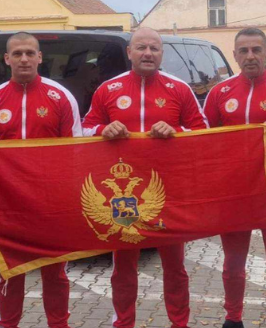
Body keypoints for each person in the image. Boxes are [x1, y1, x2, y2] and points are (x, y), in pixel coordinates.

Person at [81, 27, 208, 328]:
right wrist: (102, 130)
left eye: (154, 48)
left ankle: (180, 323)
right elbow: (83, 128)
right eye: (141, 48)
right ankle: (123, 323)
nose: (148, 53)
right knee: (124, 268)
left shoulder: (179, 89)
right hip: (122, 198)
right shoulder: (108, 89)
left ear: (162, 54)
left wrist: (177, 131)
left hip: (166, 192)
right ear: (130, 52)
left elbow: (203, 131)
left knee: (175, 267)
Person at [0, 31, 82, 328]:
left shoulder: (61, 98)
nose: (24, 59)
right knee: (9, 272)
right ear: (7, 59)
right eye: (17, 54)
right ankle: (8, 323)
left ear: (40, 57)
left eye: (30, 53)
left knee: (55, 272)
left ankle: (59, 324)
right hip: (8, 205)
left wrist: (73, 201)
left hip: (51, 205)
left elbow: (75, 153)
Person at [203, 28, 266, 328]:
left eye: (256, 50)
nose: (250, 56)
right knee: (233, 263)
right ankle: (233, 319)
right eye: (244, 51)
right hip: (233, 194)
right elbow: (203, 141)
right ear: (235, 55)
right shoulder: (219, 93)